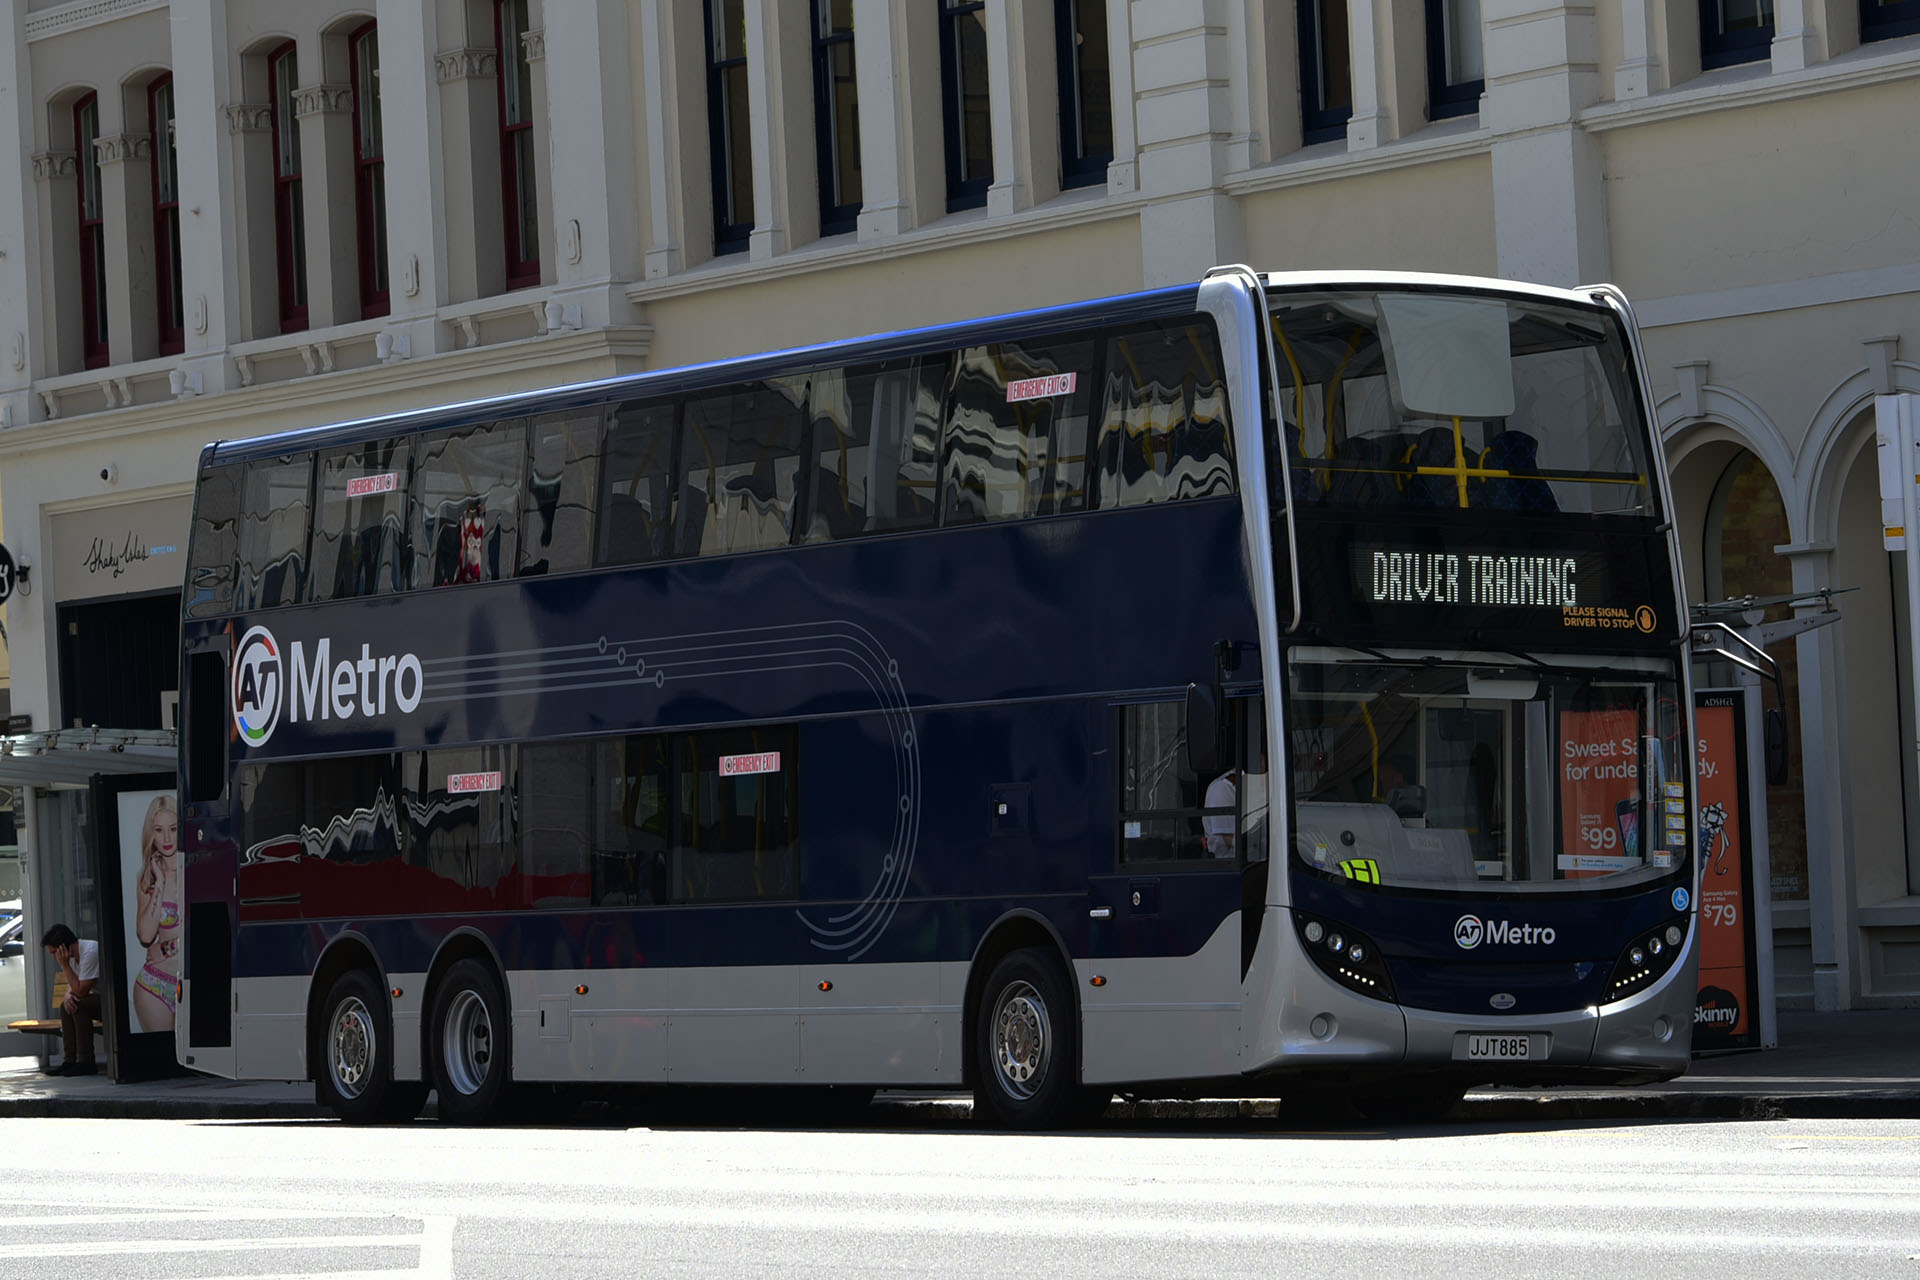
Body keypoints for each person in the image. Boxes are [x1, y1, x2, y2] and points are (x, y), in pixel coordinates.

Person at [132, 794, 182, 1033]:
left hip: (191, 982)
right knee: (164, 1065)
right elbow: (145, 936)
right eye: (159, 830)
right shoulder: (147, 879)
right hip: (154, 986)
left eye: (173, 829)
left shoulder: (199, 868)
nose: (166, 838)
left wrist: (171, 946)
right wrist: (160, 883)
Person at [40, 923, 100, 1076]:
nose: (55, 957)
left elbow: (80, 991)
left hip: (116, 1000)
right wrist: (67, 995)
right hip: (99, 998)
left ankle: (86, 1062)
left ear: (63, 948)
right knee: (66, 1006)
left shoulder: (90, 952)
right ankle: (69, 1061)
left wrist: (65, 965)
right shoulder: (72, 955)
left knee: (79, 1005)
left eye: (54, 952)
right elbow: (73, 985)